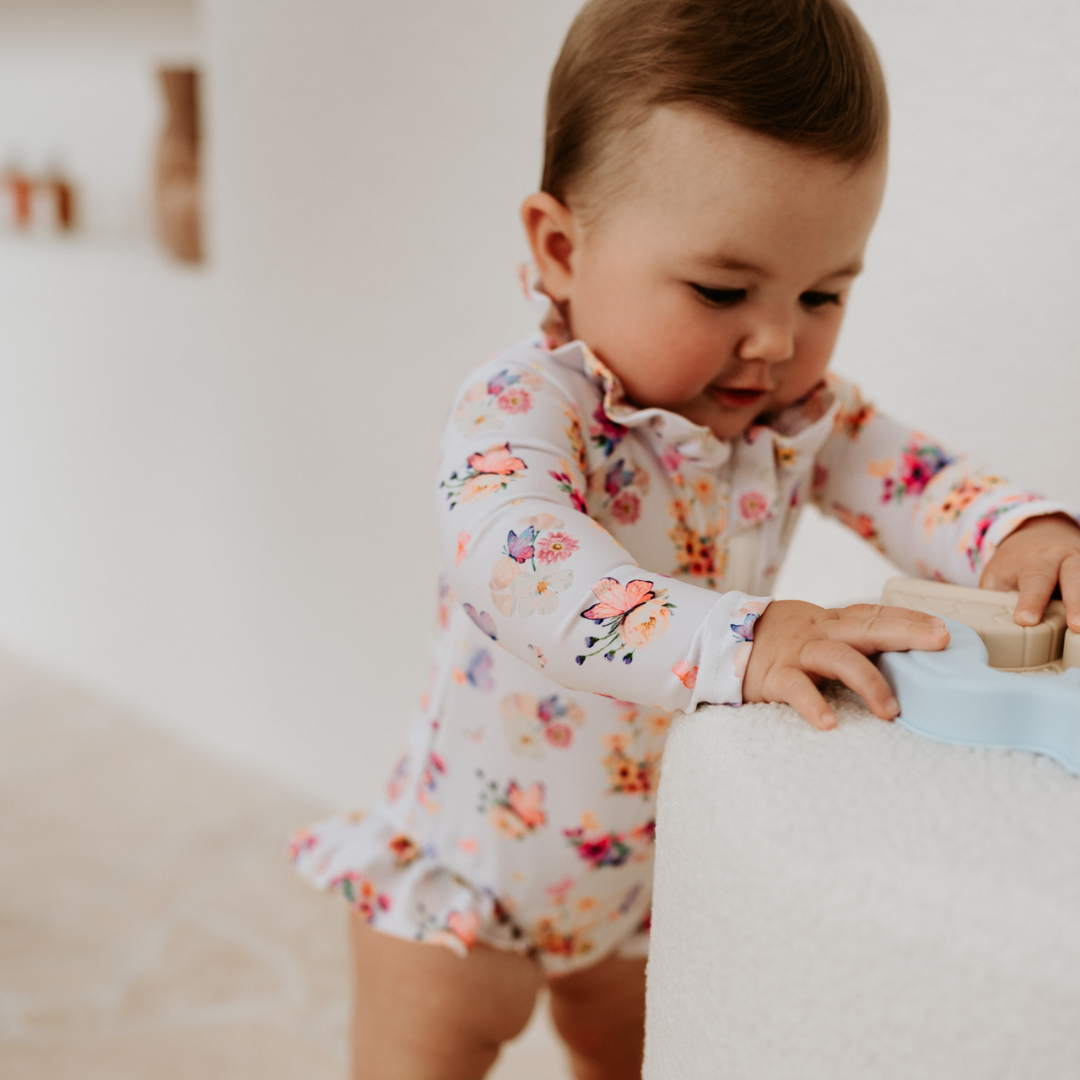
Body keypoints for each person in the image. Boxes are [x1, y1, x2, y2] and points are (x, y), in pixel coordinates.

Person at [291, 1, 1080, 1076]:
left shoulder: (799, 421)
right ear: (562, 249)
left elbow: (921, 482)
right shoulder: (526, 408)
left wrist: (1021, 531)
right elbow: (520, 570)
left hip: (640, 884)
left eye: (823, 292)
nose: (775, 340)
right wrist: (743, 640)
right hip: (465, 883)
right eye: (721, 288)